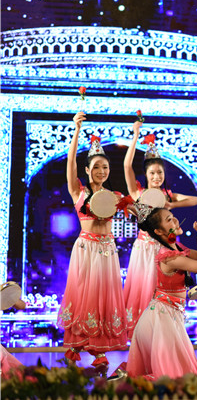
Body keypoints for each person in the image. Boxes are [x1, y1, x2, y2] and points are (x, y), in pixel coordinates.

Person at [58, 112, 127, 369]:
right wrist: (76, 130)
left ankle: (98, 351)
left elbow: (138, 211)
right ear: (87, 170)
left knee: (103, 299)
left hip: (107, 250)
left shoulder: (115, 196)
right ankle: (76, 345)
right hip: (86, 248)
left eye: (105, 167)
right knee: (82, 295)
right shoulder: (78, 191)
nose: (101, 171)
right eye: (96, 167)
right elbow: (70, 163)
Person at [122, 119, 197, 336]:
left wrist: (172, 205)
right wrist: (135, 136)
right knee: (144, 289)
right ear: (146, 175)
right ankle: (143, 333)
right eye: (152, 173)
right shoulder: (138, 194)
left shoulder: (168, 195)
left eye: (160, 173)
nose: (157, 177)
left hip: (165, 248)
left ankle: (164, 330)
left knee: (164, 289)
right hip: (145, 248)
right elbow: (127, 166)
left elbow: (196, 199)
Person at [127, 205, 197, 379]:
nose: (176, 220)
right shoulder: (169, 257)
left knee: (179, 378)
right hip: (160, 320)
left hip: (169, 315)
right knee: (173, 378)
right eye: (169, 220)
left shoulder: (178, 248)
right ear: (159, 231)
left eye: (173, 216)